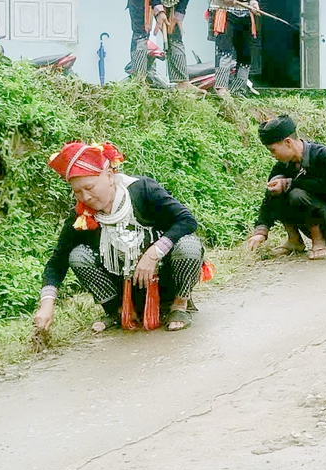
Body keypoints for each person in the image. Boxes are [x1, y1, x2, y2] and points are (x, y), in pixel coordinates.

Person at [35, 142, 205, 339]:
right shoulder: (80, 217)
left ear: (109, 176)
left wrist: (153, 253)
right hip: (124, 288)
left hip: (164, 278)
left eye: (89, 187)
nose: (86, 197)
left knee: (189, 245)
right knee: (78, 255)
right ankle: (118, 312)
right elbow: (58, 261)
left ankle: (179, 306)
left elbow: (187, 220)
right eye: (78, 192)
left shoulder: (143, 190)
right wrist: (47, 304)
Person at [247, 115, 326, 260]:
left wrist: (291, 183)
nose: (272, 155)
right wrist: (261, 230)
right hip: (311, 219)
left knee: (296, 194)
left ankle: (319, 241)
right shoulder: (281, 167)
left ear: (288, 142)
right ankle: (294, 241)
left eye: (273, 150)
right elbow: (268, 199)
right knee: (278, 190)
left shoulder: (324, 156)